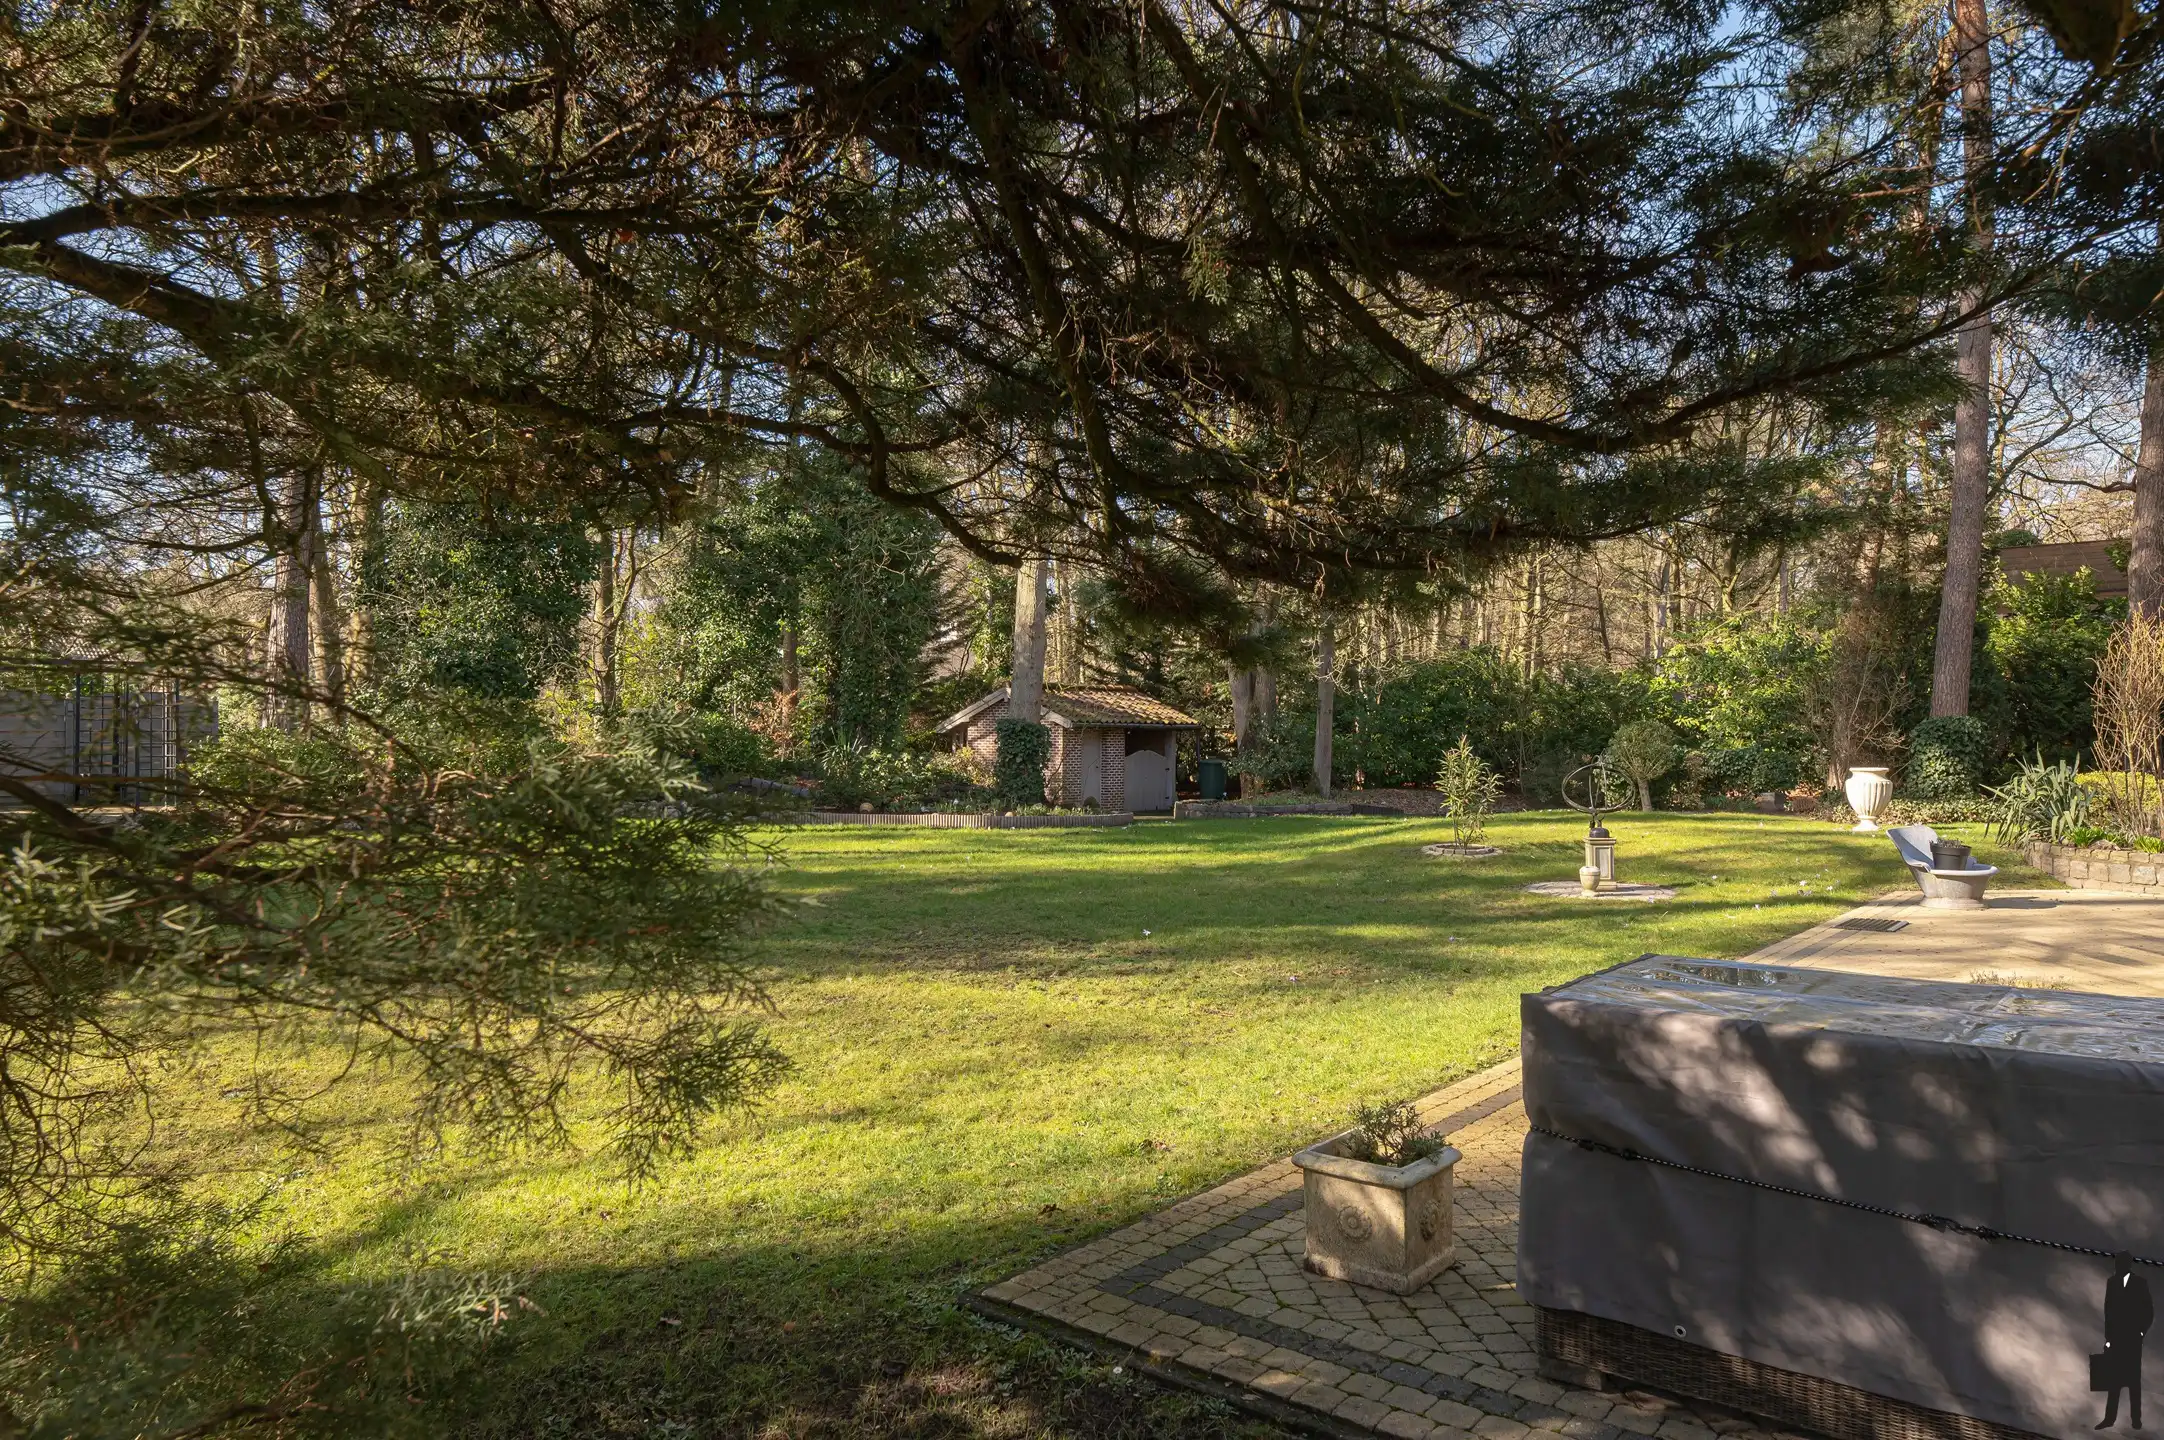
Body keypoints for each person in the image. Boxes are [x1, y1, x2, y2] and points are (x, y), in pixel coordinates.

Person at [2099, 1251, 2153, 1430]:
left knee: (2133, 1381)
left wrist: (2140, 1333)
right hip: (2116, 1339)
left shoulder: (2139, 1283)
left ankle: (2136, 1420)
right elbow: (2108, 1311)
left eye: (2121, 1263)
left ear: (2128, 1264)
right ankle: (2109, 1418)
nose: (2118, 1266)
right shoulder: (2112, 1282)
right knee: (2113, 1381)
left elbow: (2148, 1310)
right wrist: (2108, 1338)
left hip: (2132, 1340)